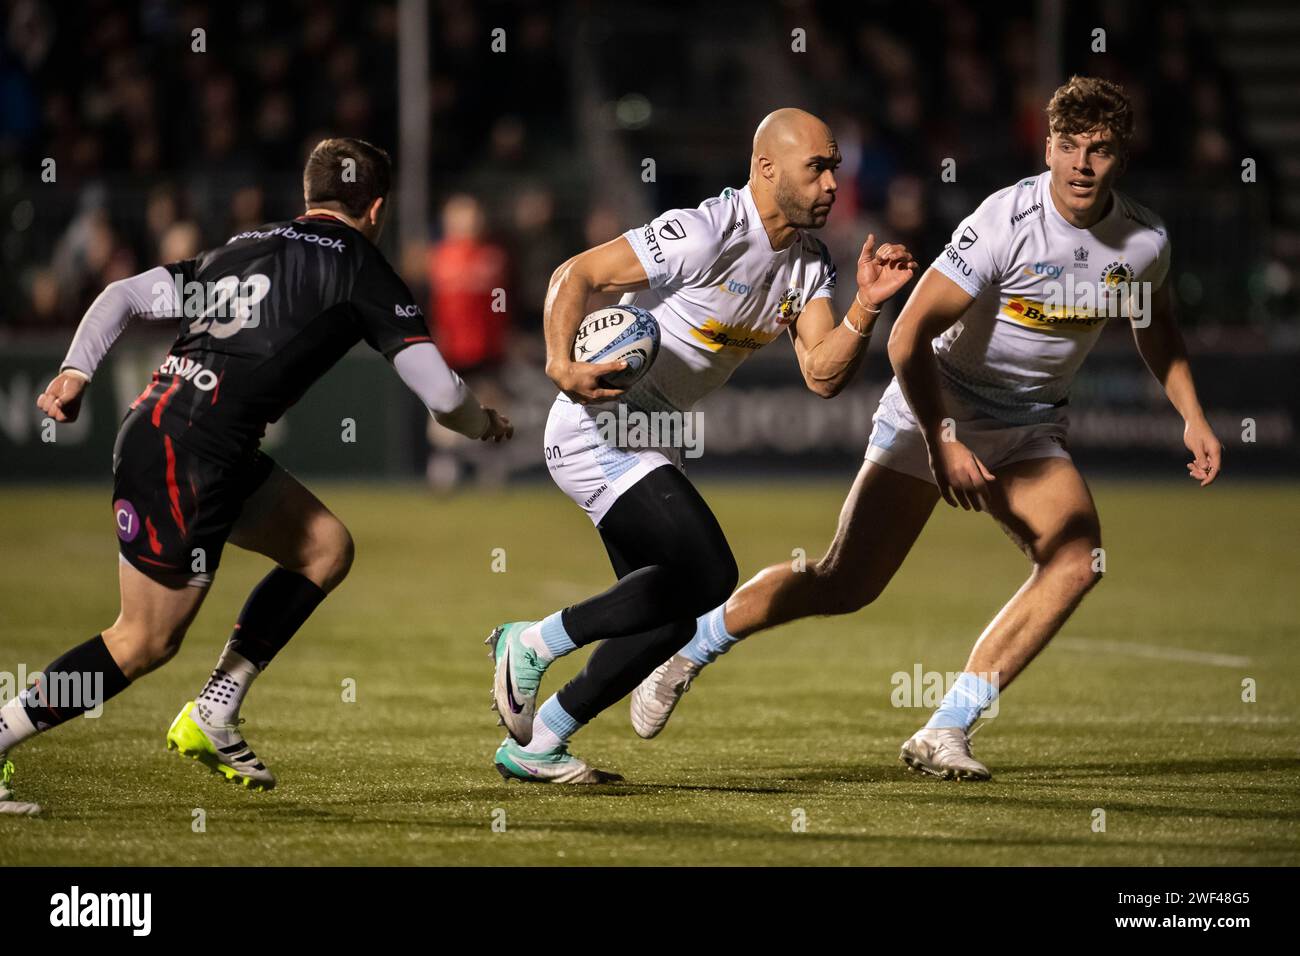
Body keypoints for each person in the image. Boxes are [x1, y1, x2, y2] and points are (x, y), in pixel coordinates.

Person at [632, 77, 1223, 781]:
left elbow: (1154, 324)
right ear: (1048, 147)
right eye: (1068, 147)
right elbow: (908, 336)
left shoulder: (1145, 241)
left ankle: (945, 730)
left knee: (1075, 558)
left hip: (1029, 427)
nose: (1080, 165)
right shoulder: (1006, 220)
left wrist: (1192, 414)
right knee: (844, 583)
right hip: (935, 400)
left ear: (1122, 157)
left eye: (1098, 150)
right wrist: (943, 438)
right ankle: (694, 644)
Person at [0, 138, 512, 816]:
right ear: (378, 207)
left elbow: (122, 295)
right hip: (190, 453)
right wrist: (486, 427)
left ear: (309, 196)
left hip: (179, 433)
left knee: (325, 548)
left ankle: (215, 709)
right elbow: (445, 400)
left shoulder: (244, 246)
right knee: (143, 640)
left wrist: (74, 370)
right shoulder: (363, 268)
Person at [487, 109, 917, 783]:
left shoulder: (806, 262)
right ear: (767, 168)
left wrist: (865, 305)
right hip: (600, 426)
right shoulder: (705, 231)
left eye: (835, 166)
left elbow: (823, 376)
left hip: (654, 440)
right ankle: (531, 643)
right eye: (819, 167)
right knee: (712, 577)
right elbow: (576, 275)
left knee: (670, 617)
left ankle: (539, 743)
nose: (834, 182)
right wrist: (559, 365)